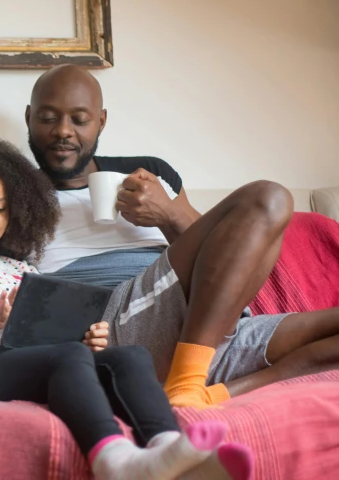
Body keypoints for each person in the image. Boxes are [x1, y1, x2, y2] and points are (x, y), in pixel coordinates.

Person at [0, 137, 253, 480]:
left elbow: (49, 338)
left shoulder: (22, 270)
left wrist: (86, 338)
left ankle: (170, 448)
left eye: (0, 209)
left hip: (36, 360)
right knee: (65, 356)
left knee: (129, 357)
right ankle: (114, 459)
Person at [24, 64, 339, 408]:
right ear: (29, 117)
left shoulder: (150, 172)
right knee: (268, 196)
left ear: (101, 121)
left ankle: (201, 391)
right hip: (113, 319)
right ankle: (188, 381)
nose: (63, 131)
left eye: (79, 120)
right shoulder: (6, 194)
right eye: (48, 118)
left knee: (270, 203)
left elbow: (229, 252)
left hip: (205, 324)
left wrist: (168, 214)